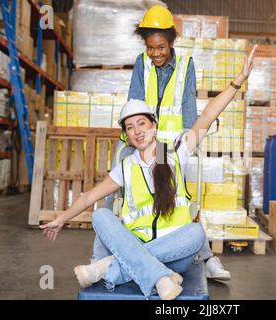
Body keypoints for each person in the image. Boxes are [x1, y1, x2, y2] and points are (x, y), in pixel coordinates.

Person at [40, 45, 258, 300]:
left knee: (196, 233)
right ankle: (159, 278)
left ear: (153, 125)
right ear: (128, 136)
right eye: (130, 128)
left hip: (174, 253)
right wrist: (62, 218)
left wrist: (239, 80)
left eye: (142, 123)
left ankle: (109, 268)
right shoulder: (126, 167)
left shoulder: (175, 151)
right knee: (101, 217)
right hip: (138, 246)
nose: (137, 131)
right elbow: (89, 197)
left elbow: (208, 115)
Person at [101, 4, 231, 281]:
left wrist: (189, 138)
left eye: (161, 47)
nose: (156, 53)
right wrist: (129, 138)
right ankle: (101, 257)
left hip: (168, 147)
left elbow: (187, 106)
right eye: (150, 47)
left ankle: (203, 256)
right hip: (142, 142)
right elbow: (133, 100)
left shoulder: (185, 65)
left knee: (177, 201)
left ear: (171, 42)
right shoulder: (141, 63)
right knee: (116, 193)